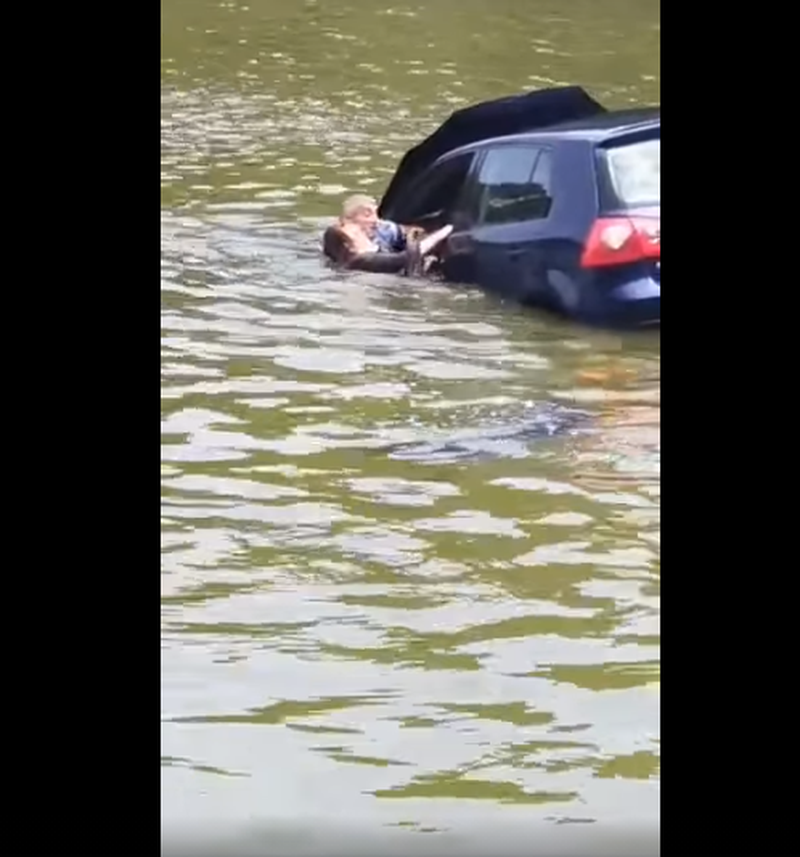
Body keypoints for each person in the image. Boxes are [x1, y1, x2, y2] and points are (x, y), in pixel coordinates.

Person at [322, 194, 451, 275]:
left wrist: (413, 233)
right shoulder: (361, 259)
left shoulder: (382, 231)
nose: (376, 221)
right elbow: (407, 256)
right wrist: (446, 230)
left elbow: (407, 231)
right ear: (351, 246)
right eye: (357, 233)